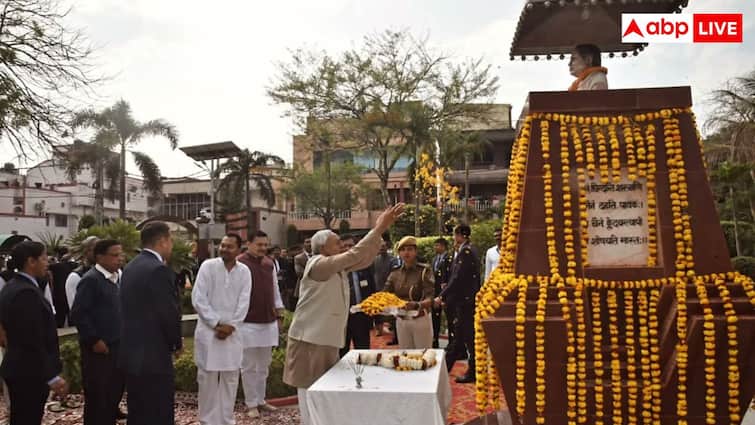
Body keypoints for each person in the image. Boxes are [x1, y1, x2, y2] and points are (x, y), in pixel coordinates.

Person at [283, 204, 404, 425]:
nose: (342, 246)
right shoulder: (318, 264)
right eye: (337, 243)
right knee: (309, 386)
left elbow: (363, 259)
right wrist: (378, 228)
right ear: (323, 248)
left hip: (324, 338)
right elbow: (354, 255)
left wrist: (379, 233)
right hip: (310, 339)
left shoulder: (335, 266)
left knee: (323, 387)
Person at [119, 222, 182, 425]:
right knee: (158, 410)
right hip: (153, 354)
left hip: (132, 352)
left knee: (138, 410)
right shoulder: (158, 270)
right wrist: (176, 343)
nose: (171, 245)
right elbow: (168, 312)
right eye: (170, 240)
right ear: (162, 241)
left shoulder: (130, 267)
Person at [0, 241, 68, 424]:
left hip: (21, 368)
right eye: (44, 258)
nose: (47, 263)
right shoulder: (25, 293)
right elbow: (31, 339)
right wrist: (51, 376)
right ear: (31, 261)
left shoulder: (14, 286)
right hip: (28, 372)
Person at [192, 234, 251, 425]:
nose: (224, 249)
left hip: (233, 333)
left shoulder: (244, 272)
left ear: (239, 250)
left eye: (229, 246)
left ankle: (226, 420)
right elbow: (198, 299)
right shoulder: (208, 266)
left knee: (230, 378)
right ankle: (207, 421)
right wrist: (216, 324)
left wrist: (231, 326)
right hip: (209, 332)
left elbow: (244, 301)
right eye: (222, 245)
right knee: (207, 379)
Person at [69, 239, 126, 425]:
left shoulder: (117, 278)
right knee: (98, 399)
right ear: (100, 257)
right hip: (98, 351)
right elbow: (79, 314)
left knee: (113, 395)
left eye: (120, 254)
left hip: (117, 347)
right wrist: (94, 340)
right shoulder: (91, 280)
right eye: (114, 255)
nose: (119, 259)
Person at [236, 230, 285, 418]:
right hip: (247, 322)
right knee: (248, 365)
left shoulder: (269, 263)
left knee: (264, 365)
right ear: (248, 244)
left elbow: (275, 290)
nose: (263, 248)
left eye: (265, 245)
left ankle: (261, 400)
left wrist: (279, 314)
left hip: (268, 321)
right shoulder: (239, 263)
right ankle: (251, 404)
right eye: (259, 244)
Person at [436, 224, 480, 383]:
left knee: (467, 337)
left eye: (455, 235)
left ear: (461, 235)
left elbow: (457, 278)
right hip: (465, 300)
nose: (454, 238)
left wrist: (441, 296)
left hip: (465, 301)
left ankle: (471, 371)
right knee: (460, 337)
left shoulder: (465, 252)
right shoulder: (469, 250)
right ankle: (446, 369)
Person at [384, 236, 435, 350]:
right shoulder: (395, 273)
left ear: (416, 251)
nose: (406, 253)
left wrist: (417, 305)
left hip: (420, 319)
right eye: (403, 250)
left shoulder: (424, 271)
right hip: (401, 319)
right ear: (399, 253)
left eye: (410, 249)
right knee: (405, 355)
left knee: (423, 355)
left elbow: (430, 297)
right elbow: (385, 294)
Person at [339, 234, 376, 357]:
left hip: (361, 316)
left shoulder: (365, 266)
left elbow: (372, 291)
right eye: (344, 246)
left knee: (363, 352)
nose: (348, 248)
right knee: (341, 354)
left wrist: (377, 319)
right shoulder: (335, 268)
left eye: (351, 245)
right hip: (341, 318)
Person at [66, 236, 99, 311]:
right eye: (95, 250)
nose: (99, 253)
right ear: (86, 252)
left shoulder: (112, 273)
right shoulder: (75, 276)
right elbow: (75, 309)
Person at [432, 238, 453, 349]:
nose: (435, 247)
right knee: (435, 318)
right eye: (435, 245)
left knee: (449, 318)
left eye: (438, 245)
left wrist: (444, 295)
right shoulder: (435, 259)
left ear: (443, 246)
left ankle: (452, 342)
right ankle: (435, 340)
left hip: (446, 293)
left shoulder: (449, 259)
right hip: (435, 292)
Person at [372, 239, 396, 336]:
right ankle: (379, 329)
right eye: (380, 246)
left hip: (389, 289)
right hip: (377, 288)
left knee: (391, 311)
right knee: (377, 312)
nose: (382, 248)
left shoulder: (392, 259)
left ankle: (394, 331)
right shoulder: (375, 260)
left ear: (387, 247)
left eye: (383, 246)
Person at [49, 248, 76, 328]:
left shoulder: (56, 266)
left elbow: (48, 266)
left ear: (58, 255)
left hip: (59, 296)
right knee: (72, 321)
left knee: (59, 321)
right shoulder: (73, 265)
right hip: (70, 295)